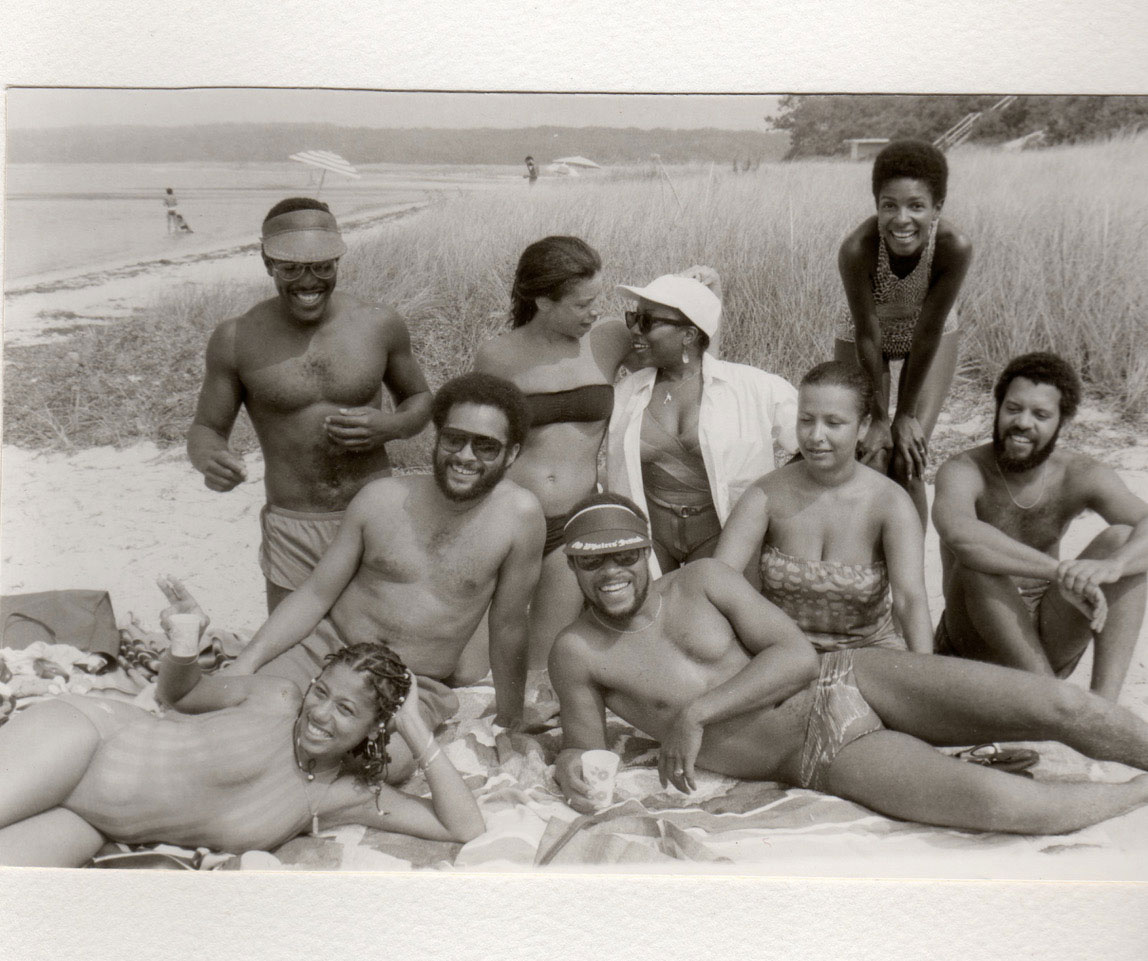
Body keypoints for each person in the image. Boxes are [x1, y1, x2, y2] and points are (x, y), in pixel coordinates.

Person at [549, 493, 1148, 834]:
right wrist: (571, 769)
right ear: (573, 567)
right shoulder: (577, 651)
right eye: (591, 564)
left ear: (646, 551)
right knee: (1007, 807)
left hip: (853, 675)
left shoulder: (702, 582)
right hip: (817, 750)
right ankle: (1136, 797)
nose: (611, 575)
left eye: (624, 557)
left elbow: (798, 656)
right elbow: (582, 747)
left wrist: (695, 714)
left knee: (1061, 705)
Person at [0, 580, 484, 868]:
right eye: (322, 692)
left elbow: (464, 828)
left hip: (90, 822)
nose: (318, 713)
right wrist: (185, 644)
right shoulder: (276, 698)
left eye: (346, 710)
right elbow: (180, 694)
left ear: (375, 729)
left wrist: (416, 728)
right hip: (85, 740)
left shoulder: (345, 797)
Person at [228, 373, 546, 768]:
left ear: (511, 454)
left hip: (412, 683)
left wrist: (510, 719)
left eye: (485, 446)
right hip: (327, 654)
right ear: (437, 437)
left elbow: (509, 625)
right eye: (453, 439)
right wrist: (248, 660)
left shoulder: (520, 518)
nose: (465, 456)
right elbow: (314, 595)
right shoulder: (381, 499)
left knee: (388, 765)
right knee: (245, 714)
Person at [188, 198, 432, 614]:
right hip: (294, 523)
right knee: (290, 653)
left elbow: (420, 399)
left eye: (322, 266)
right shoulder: (236, 338)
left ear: (338, 260)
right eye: (291, 268)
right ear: (267, 263)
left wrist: (391, 426)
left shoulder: (378, 323)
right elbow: (206, 428)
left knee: (381, 644)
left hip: (374, 510)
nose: (308, 281)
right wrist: (210, 459)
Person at [932, 352, 1148, 700]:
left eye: (1041, 415)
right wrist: (1061, 572)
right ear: (998, 407)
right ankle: (1053, 702)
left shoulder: (1079, 474)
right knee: (979, 562)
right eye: (1013, 408)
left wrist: (1113, 567)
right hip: (974, 644)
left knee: (1124, 540)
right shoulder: (964, 470)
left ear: (1063, 422)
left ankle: (1104, 707)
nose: (1023, 423)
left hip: (1050, 636)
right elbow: (962, 536)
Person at [475, 236, 631, 666]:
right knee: (474, 666)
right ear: (543, 301)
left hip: (573, 521)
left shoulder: (610, 339)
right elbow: (478, 443)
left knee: (545, 660)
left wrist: (709, 294)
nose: (594, 311)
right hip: (509, 519)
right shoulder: (498, 357)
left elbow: (689, 358)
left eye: (596, 299)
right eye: (581, 304)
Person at [715, 361, 931, 653]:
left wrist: (922, 676)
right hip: (779, 656)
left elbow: (910, 600)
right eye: (806, 420)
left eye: (833, 423)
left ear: (863, 426)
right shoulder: (765, 494)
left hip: (869, 655)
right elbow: (718, 580)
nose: (816, 436)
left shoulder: (890, 503)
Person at [608, 270, 797, 577]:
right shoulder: (627, 393)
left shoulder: (754, 388)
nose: (634, 331)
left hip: (723, 533)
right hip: (650, 536)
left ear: (689, 335)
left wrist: (778, 505)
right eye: (633, 318)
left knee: (715, 618)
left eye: (647, 321)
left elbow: (813, 442)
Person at [835, 140, 973, 526]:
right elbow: (867, 334)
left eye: (916, 205)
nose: (901, 219)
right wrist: (880, 418)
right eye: (889, 205)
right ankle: (864, 567)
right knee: (870, 456)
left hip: (927, 331)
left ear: (937, 208)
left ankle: (910, 579)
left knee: (907, 455)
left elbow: (927, 333)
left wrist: (905, 414)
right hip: (864, 333)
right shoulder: (857, 249)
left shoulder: (953, 247)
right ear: (876, 204)